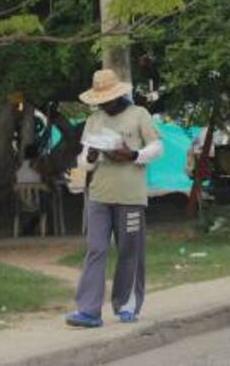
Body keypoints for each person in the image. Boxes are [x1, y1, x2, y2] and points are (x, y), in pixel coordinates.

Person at [65, 69, 163, 329]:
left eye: (107, 98)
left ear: (118, 95)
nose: (103, 104)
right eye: (100, 100)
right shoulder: (94, 120)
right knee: (95, 250)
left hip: (130, 196)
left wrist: (132, 155)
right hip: (98, 194)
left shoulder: (138, 115)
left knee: (130, 250)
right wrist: (91, 158)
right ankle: (88, 310)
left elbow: (157, 147)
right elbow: (83, 160)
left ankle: (127, 305)